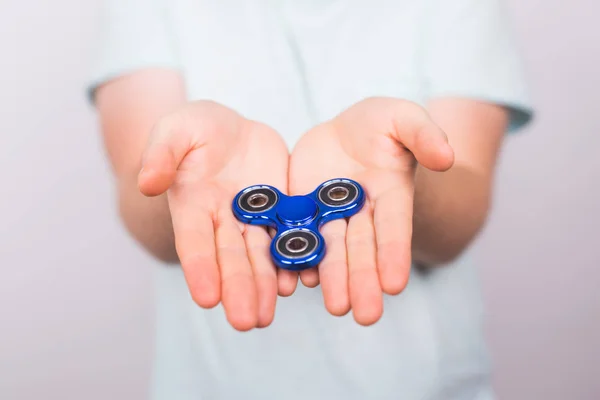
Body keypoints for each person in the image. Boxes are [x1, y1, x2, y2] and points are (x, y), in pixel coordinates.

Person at [87, 0, 533, 399]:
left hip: (421, 386)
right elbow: (138, 190)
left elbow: (462, 215)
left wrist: (403, 174)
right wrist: (183, 177)